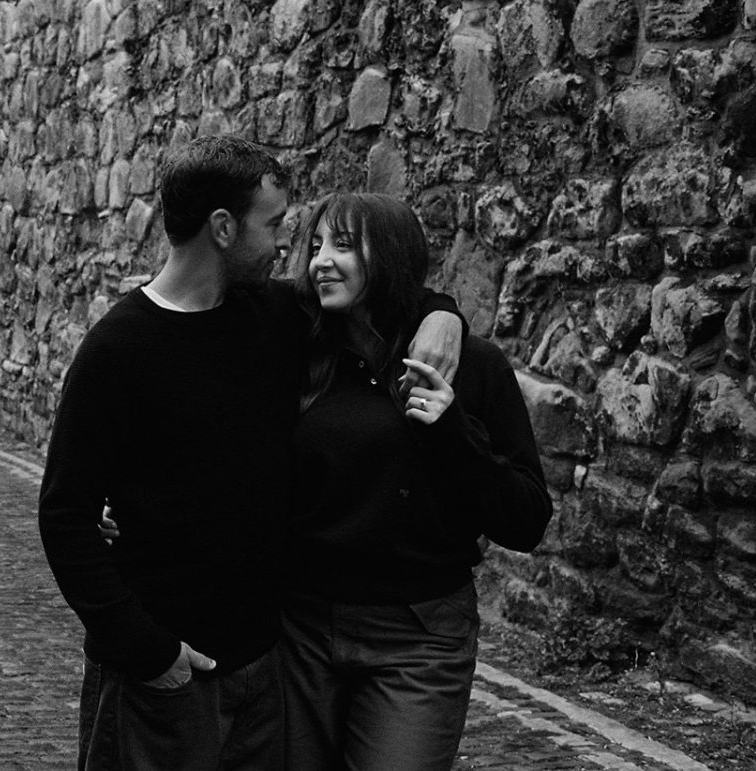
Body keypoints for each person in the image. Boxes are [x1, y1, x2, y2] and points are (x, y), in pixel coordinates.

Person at [37, 137, 464, 771]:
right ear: (223, 228)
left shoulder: (273, 313)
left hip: (266, 677)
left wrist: (443, 314)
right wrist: (152, 656)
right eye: (274, 225)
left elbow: (379, 292)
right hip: (162, 683)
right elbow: (65, 517)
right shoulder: (117, 351)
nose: (288, 245)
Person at [280, 193, 552, 771]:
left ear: (393, 256)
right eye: (317, 245)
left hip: (418, 636)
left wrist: (451, 429)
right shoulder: (296, 353)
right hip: (299, 630)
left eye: (344, 246)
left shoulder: (471, 366)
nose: (320, 260)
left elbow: (526, 520)